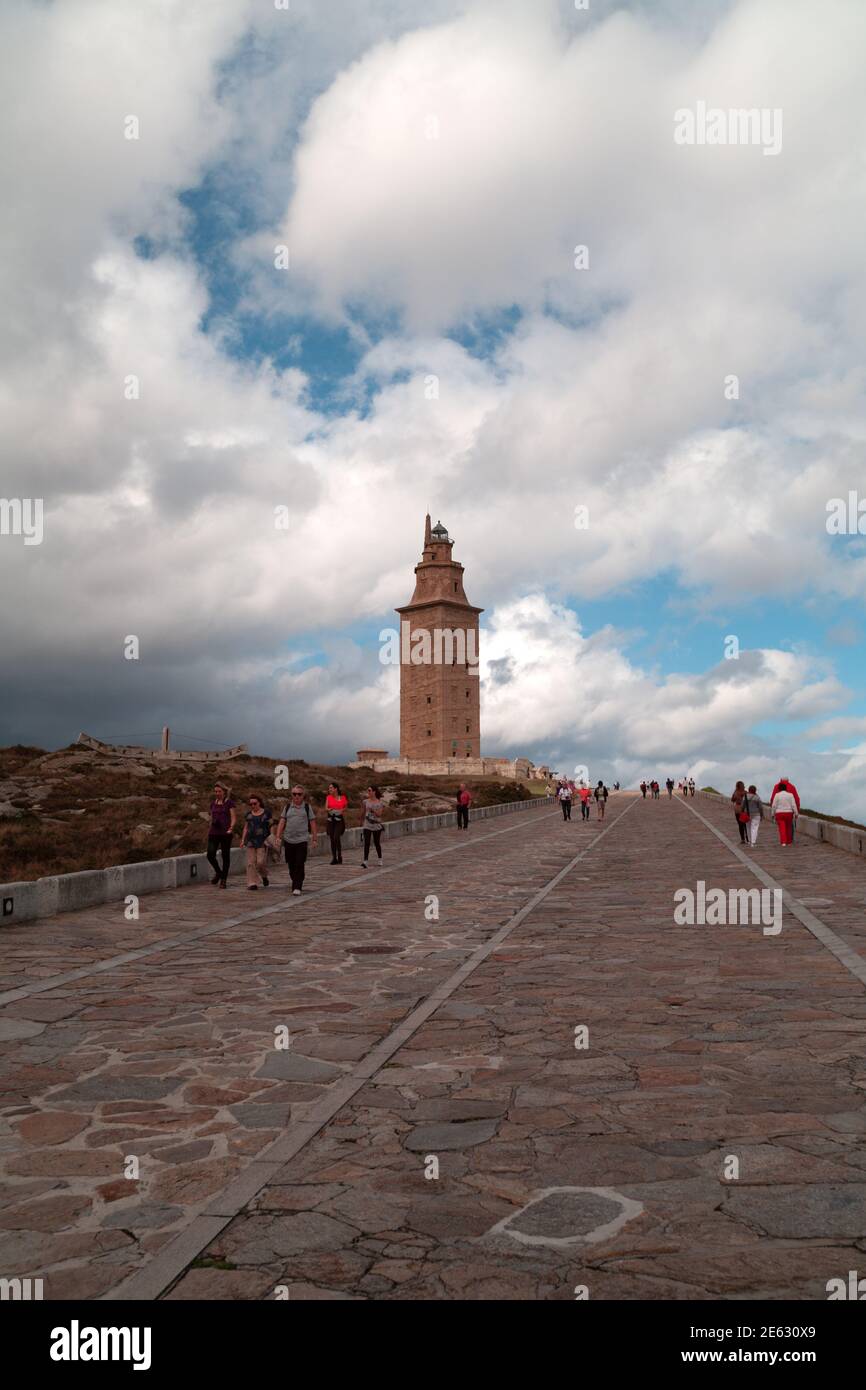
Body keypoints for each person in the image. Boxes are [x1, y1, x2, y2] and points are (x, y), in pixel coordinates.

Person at [277, 785, 318, 894]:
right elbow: (282, 822)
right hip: (288, 840)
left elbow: (312, 823)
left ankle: (297, 886)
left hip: (302, 840)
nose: (296, 796)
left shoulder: (307, 808)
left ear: (303, 796)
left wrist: (314, 839)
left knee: (300, 862)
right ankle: (297, 880)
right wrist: (278, 836)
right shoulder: (287, 807)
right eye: (294, 794)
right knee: (291, 864)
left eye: (299, 794)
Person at [206, 782, 236, 889]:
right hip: (213, 832)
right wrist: (210, 826)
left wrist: (231, 828)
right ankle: (219, 872)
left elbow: (233, 817)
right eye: (216, 791)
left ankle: (224, 880)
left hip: (225, 833)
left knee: (225, 856)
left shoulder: (229, 803)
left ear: (224, 792)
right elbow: (211, 817)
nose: (217, 793)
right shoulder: (213, 804)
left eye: (219, 791)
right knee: (210, 854)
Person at [241, 794, 271, 889]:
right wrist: (242, 840)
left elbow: (272, 825)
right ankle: (252, 883)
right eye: (251, 804)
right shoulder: (248, 815)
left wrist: (273, 837)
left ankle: (264, 876)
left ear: (259, 803)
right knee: (251, 863)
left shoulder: (266, 813)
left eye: (255, 803)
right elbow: (245, 828)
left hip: (262, 841)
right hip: (250, 841)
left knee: (260, 863)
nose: (253, 806)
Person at [361, 785, 385, 866]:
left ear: (374, 792)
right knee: (366, 842)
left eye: (369, 790)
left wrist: (373, 810)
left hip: (376, 825)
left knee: (376, 842)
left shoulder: (380, 802)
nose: (368, 792)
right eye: (368, 790)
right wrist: (361, 821)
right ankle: (365, 861)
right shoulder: (365, 802)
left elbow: (379, 814)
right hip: (367, 824)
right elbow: (363, 812)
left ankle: (380, 859)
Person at [770, 775, 800, 840]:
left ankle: (784, 840)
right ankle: (790, 839)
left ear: (780, 780)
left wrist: (773, 812)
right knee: (789, 826)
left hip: (779, 811)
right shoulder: (792, 787)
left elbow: (772, 799)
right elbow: (796, 799)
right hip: (789, 811)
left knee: (782, 826)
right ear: (788, 780)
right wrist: (797, 810)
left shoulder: (776, 786)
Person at [325, 782, 348, 863]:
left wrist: (342, 810)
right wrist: (329, 809)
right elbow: (326, 808)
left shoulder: (342, 797)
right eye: (329, 788)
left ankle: (339, 855)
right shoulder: (328, 797)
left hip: (339, 820)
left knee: (336, 837)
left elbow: (345, 807)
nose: (329, 789)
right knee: (332, 839)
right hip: (330, 819)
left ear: (336, 789)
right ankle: (334, 858)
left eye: (331, 788)